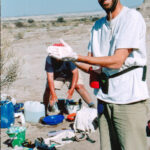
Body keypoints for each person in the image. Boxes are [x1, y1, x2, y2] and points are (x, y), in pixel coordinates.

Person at [48, 0, 150, 149]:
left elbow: (117, 61)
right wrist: (69, 57)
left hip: (128, 100)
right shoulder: (97, 27)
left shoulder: (131, 18)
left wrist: (77, 57)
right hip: (104, 99)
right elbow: (91, 64)